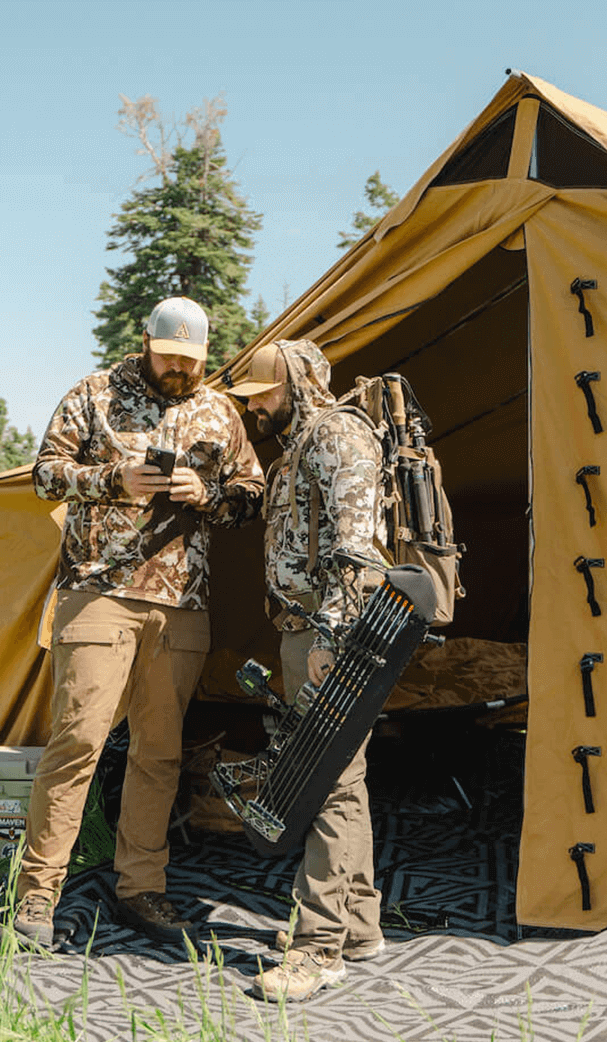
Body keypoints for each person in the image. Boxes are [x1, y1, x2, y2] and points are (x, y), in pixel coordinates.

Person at [12, 296, 265, 947]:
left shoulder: (218, 410)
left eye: (191, 362)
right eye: (169, 358)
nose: (180, 371)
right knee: (78, 743)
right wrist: (114, 479)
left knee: (160, 754)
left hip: (183, 606)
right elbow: (44, 476)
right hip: (97, 594)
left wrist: (207, 495)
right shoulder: (93, 394)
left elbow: (253, 495)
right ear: (146, 344)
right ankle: (37, 896)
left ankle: (141, 890)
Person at [226, 339, 388, 1001]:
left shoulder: (337, 437)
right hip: (306, 633)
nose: (255, 407)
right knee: (342, 782)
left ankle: (319, 950)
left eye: (263, 393)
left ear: (297, 383)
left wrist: (329, 637)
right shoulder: (298, 444)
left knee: (323, 785)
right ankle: (360, 928)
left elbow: (356, 546)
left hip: (331, 635)